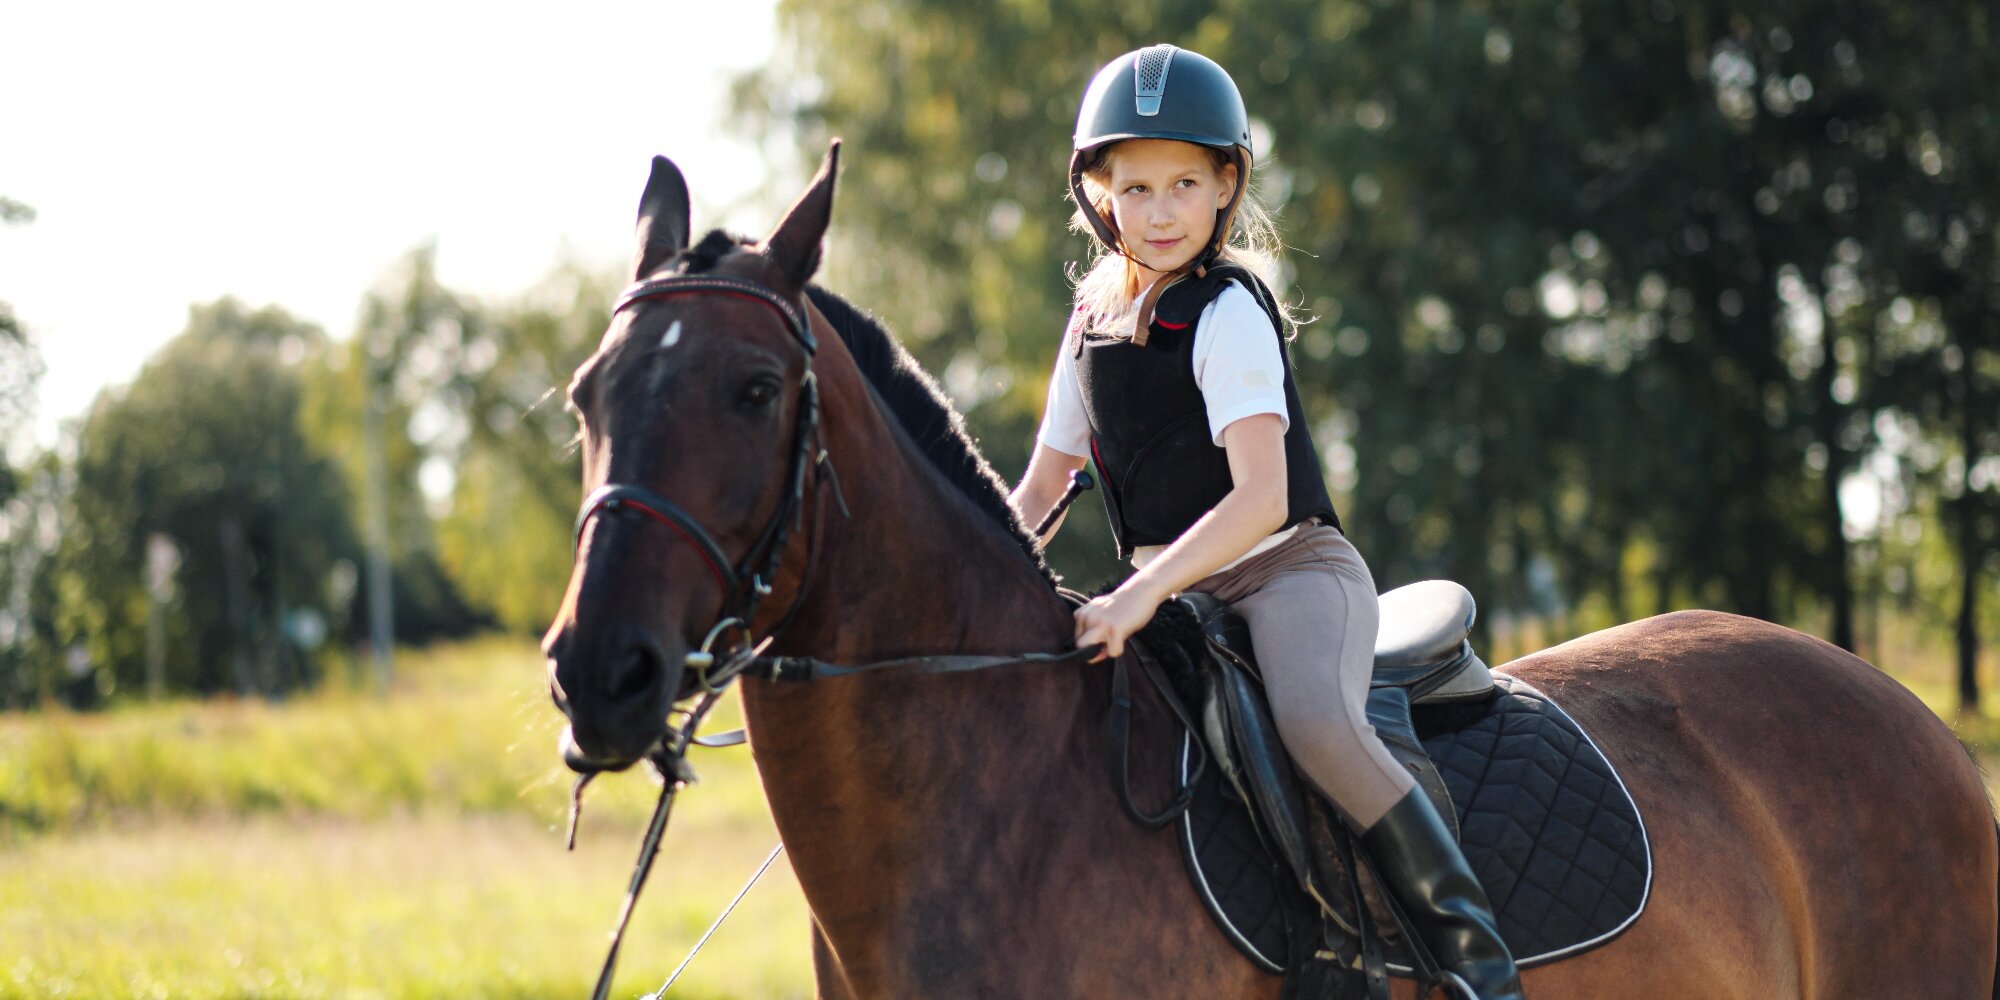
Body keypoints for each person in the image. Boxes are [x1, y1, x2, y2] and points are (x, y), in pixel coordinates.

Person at [1009, 44, 1524, 1000]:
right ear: (1098, 196)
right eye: (1135, 187)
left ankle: (1474, 958)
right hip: (1174, 594)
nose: (1158, 212)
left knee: (1317, 722)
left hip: (1287, 572)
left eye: (1183, 184)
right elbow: (1044, 484)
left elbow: (1260, 500)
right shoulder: (1089, 319)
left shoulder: (1229, 313)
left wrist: (1135, 595)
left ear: (1225, 187)